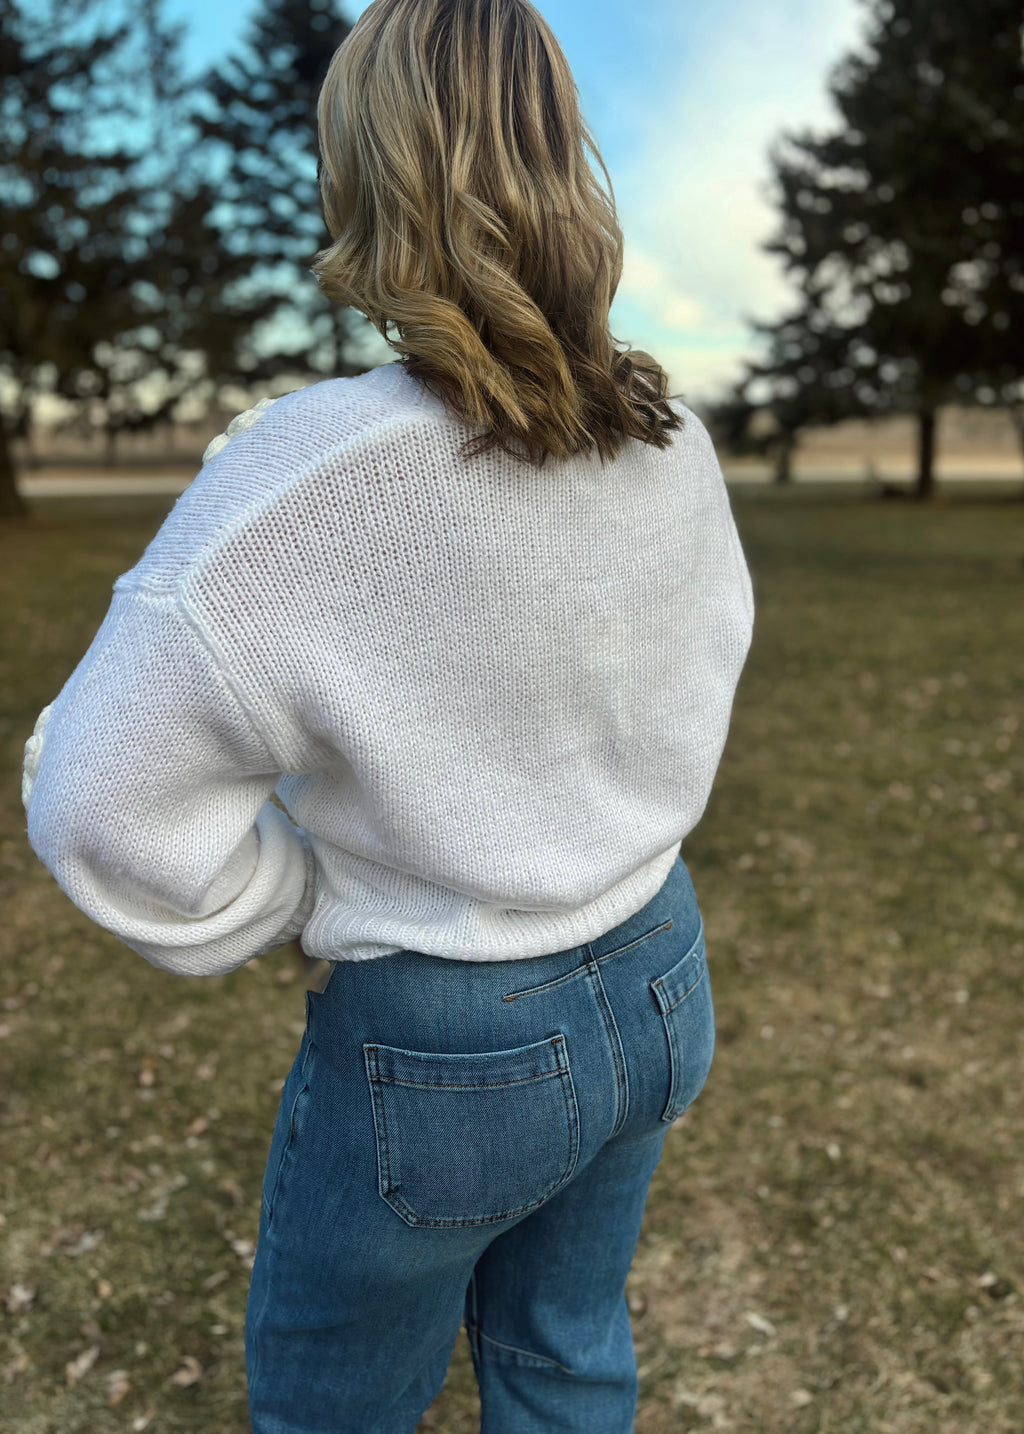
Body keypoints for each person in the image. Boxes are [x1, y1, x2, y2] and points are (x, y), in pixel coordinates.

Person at [21, 0, 754, 1429]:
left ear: (366, 172)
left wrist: (286, 901)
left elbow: (98, 797)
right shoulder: (669, 436)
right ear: (563, 149)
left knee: (332, 1410)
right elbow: (704, 666)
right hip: (660, 967)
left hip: (450, 1032)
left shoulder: (308, 474)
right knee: (566, 1356)